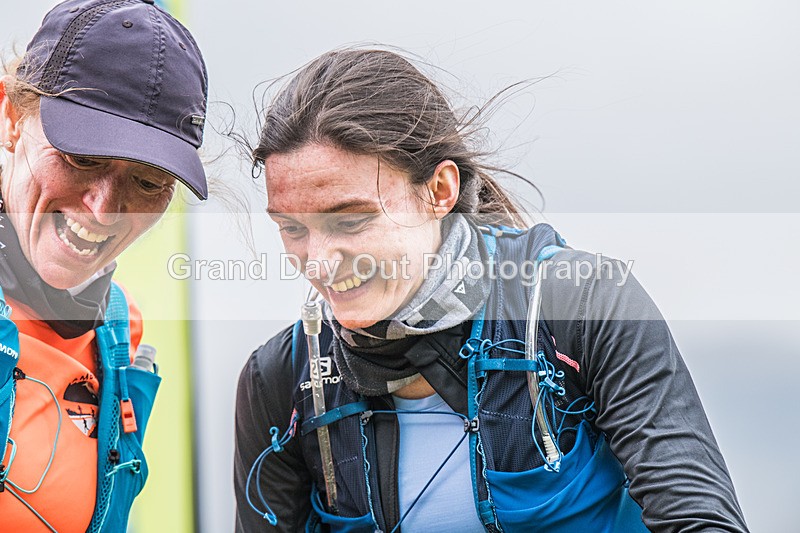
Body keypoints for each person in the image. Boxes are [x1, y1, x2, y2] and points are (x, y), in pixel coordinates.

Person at [234, 49, 749, 532]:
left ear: (439, 191)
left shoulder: (584, 305)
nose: (318, 262)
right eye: (292, 228)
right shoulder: (280, 376)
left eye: (349, 221)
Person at [0, 0, 208, 531]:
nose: (104, 208)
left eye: (148, 181)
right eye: (82, 157)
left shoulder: (121, 331)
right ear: (10, 118)